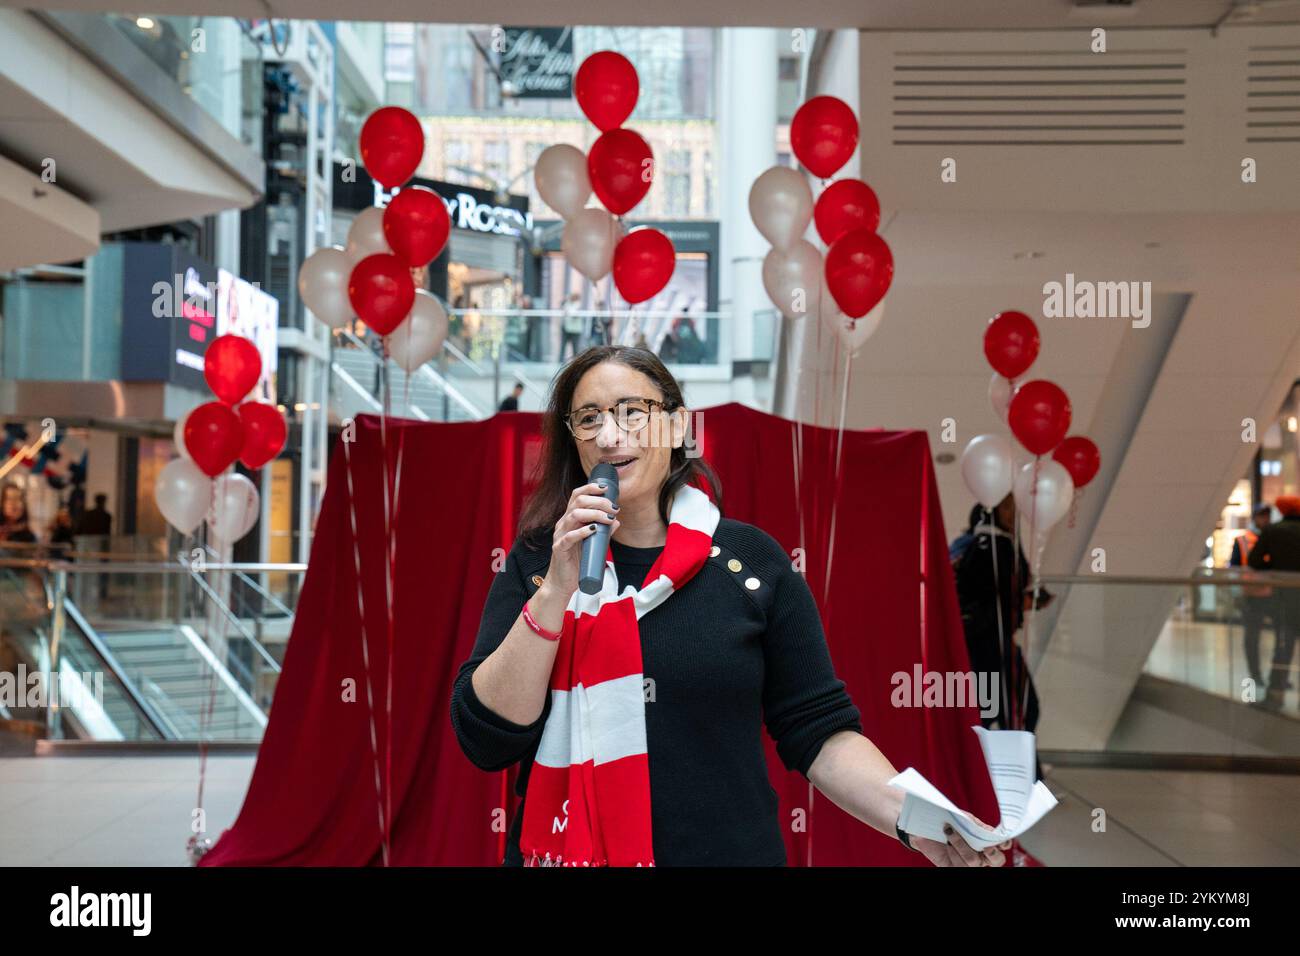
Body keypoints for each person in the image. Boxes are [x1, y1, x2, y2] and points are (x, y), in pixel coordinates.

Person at [451, 344, 1010, 868]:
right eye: (589, 418)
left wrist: (918, 823)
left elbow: (819, 730)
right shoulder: (540, 563)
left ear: (677, 426)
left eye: (632, 410)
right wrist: (555, 591)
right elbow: (487, 736)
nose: (610, 433)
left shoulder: (751, 563)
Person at [950, 495, 1052, 780]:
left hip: (983, 647)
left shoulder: (973, 544)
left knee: (1000, 713)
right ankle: (1019, 780)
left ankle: (1014, 778)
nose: (1013, 514)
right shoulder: (996, 547)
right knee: (1016, 712)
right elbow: (998, 596)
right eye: (1007, 508)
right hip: (990, 648)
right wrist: (1027, 600)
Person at [1246, 494, 1300, 710]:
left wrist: (1275, 570)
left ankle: (1275, 695)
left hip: (1284, 599)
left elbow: (1254, 561)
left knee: (1283, 645)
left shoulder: (1273, 531)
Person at [1230, 502, 1274, 692]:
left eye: (1267, 516)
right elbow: (1233, 569)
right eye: (1261, 515)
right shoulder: (1242, 541)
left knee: (1281, 636)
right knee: (1252, 638)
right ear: (1255, 517)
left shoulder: (1273, 539)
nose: (1265, 519)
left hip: (1272, 595)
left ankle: (1276, 676)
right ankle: (1255, 674)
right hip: (1250, 597)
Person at [559, 293, 584, 360]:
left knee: (575, 347)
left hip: (575, 330)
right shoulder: (567, 304)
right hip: (566, 329)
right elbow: (562, 307)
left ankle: (576, 361)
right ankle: (560, 360)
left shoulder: (579, 305)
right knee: (563, 346)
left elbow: (574, 314)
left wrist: (568, 312)